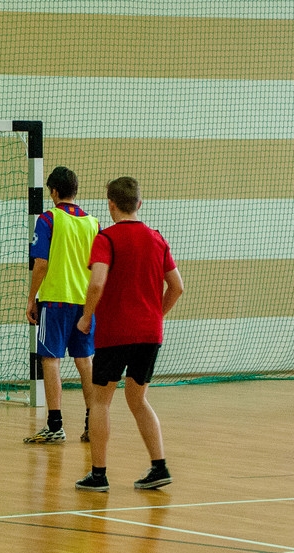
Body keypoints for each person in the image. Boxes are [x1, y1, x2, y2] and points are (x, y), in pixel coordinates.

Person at [74, 177, 184, 492]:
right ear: (139, 204)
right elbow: (177, 287)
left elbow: (97, 282)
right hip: (150, 334)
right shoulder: (157, 238)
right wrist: (155, 316)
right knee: (138, 399)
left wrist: (86, 317)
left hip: (115, 334)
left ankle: (98, 474)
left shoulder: (106, 239)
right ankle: (159, 466)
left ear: (111, 205)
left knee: (101, 401)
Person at [24, 166, 100, 444]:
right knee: (85, 360)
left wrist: (31, 298)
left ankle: (55, 425)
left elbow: (41, 263)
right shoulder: (93, 223)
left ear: (54, 192)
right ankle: (94, 422)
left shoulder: (48, 219)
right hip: (85, 302)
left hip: (56, 300)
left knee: (50, 359)